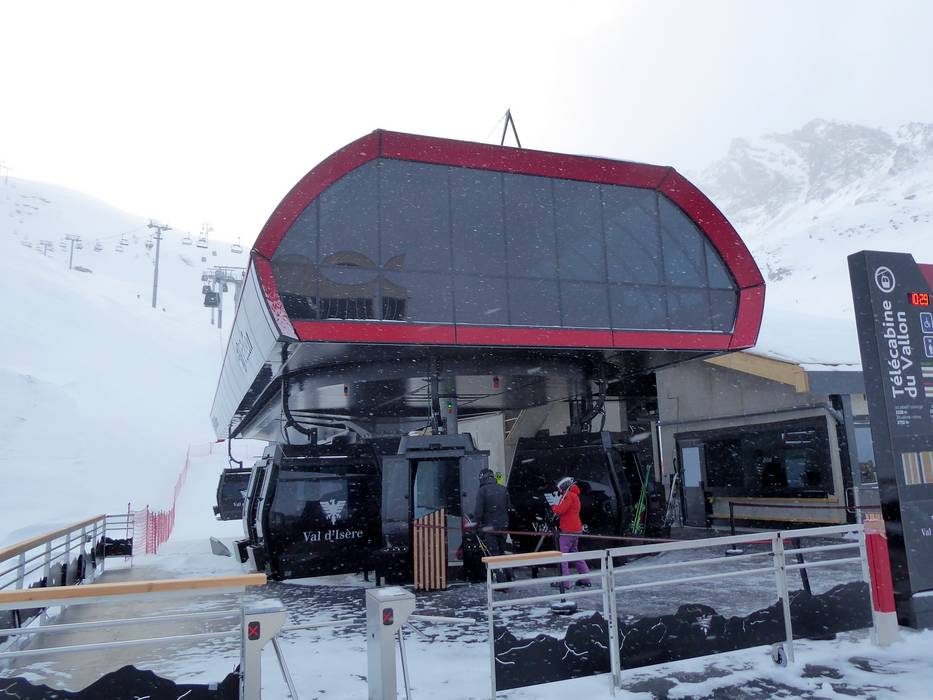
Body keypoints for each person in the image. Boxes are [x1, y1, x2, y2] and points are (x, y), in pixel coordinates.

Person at [472, 467, 512, 582]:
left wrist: (475, 526)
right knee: (502, 551)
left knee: (494, 553)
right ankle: (508, 576)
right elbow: (509, 507)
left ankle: (501, 581)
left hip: (489, 527)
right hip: (503, 526)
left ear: (482, 478)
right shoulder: (503, 489)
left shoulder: (482, 491)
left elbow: (478, 512)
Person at [551, 476, 592, 587]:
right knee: (575, 554)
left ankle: (564, 582)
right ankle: (586, 579)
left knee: (563, 556)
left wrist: (553, 506)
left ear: (564, 486)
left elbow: (561, 510)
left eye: (559, 488)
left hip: (568, 530)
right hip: (576, 529)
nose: (559, 490)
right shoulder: (575, 495)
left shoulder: (568, 496)